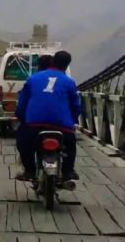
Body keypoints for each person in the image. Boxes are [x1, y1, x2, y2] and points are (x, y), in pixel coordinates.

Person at [13, 50, 79, 184]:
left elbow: (22, 103)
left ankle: (30, 171)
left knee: (23, 142)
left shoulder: (33, 79)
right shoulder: (69, 81)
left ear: (52, 61)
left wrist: (21, 118)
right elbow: (76, 106)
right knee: (70, 145)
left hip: (34, 124)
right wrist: (72, 120)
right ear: (67, 65)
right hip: (62, 125)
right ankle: (68, 172)